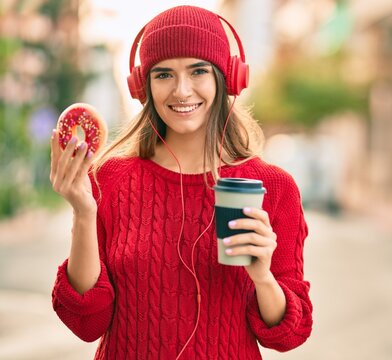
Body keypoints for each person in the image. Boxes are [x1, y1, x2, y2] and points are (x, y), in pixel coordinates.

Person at [49, 5, 313, 359]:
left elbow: (288, 336)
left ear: (227, 77)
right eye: (163, 75)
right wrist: (83, 213)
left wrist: (263, 276)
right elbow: (87, 324)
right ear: (143, 86)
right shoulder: (109, 179)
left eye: (198, 70)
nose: (181, 90)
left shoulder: (273, 187)